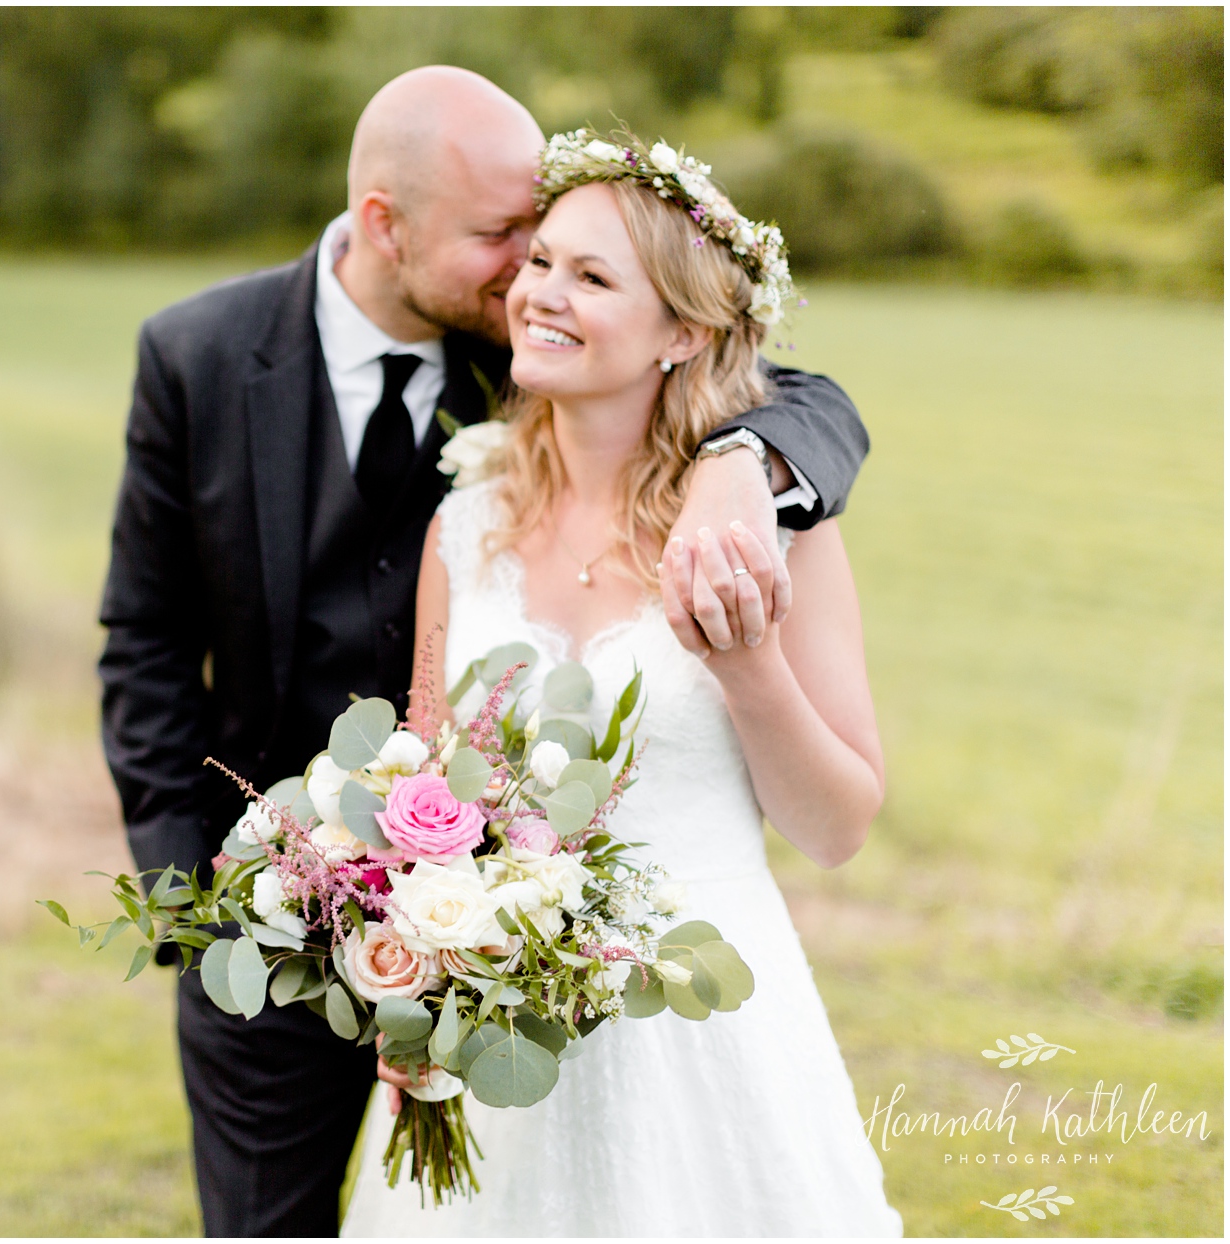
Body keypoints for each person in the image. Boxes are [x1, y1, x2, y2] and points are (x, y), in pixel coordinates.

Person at [98, 67, 873, 1237]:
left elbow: (796, 391)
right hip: (307, 927)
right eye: (511, 241)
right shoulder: (205, 358)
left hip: (649, 1011)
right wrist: (201, 899)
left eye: (565, 255)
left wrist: (738, 477)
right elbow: (148, 640)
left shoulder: (676, 453)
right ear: (384, 226)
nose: (530, 278)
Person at [337, 131, 900, 1235]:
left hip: (704, 1033)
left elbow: (837, 826)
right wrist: (406, 971)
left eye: (592, 277)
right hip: (494, 1038)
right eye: (540, 260)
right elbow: (423, 780)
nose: (540, 293)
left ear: (683, 332)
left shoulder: (770, 534)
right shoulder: (468, 521)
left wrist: (746, 666)